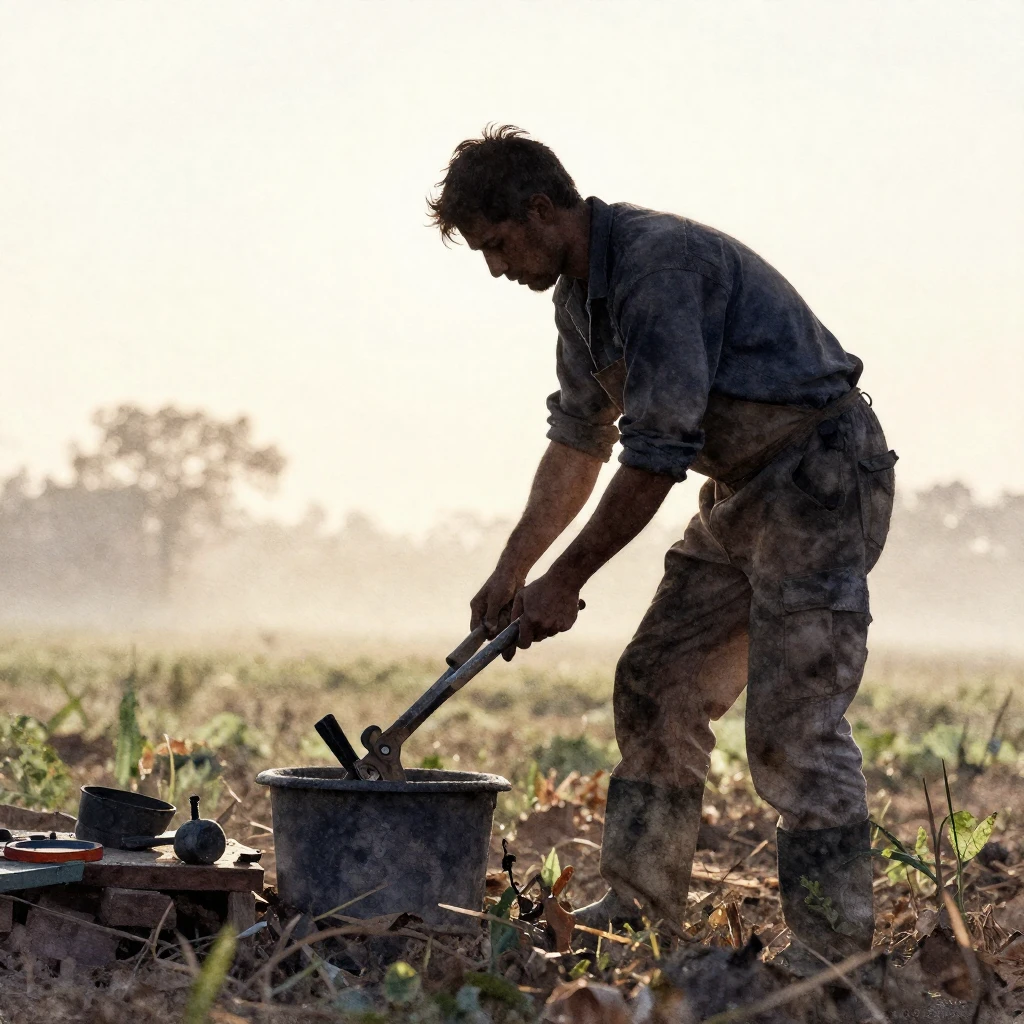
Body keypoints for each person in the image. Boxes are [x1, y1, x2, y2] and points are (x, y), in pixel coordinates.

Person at [427, 125, 897, 963]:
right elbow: (579, 441)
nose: (498, 269)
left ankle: (834, 960)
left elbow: (655, 455)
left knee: (793, 728)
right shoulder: (579, 299)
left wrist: (565, 580)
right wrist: (513, 570)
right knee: (656, 682)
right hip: (741, 493)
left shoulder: (657, 267)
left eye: (499, 246)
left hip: (819, 480)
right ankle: (641, 908)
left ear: (541, 211)